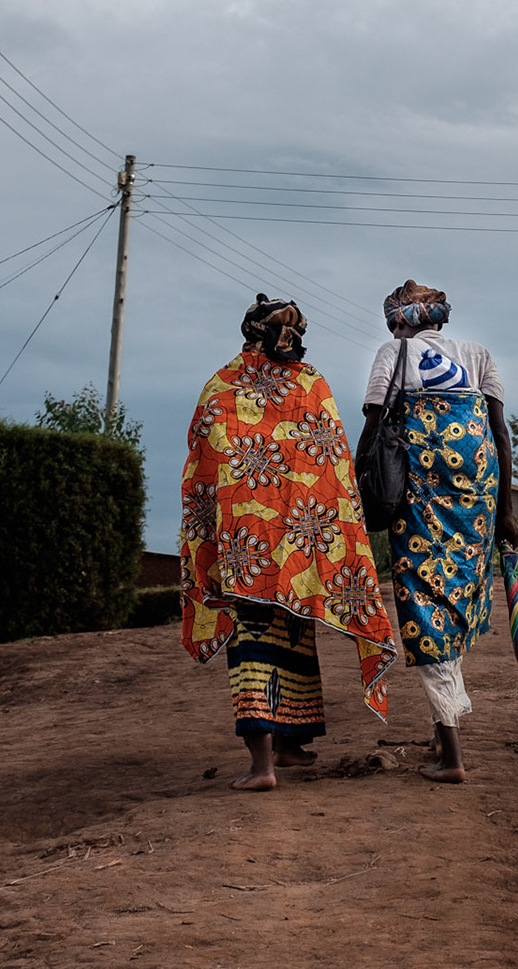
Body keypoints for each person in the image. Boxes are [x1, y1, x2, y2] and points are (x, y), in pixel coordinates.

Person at [179, 295, 398, 792]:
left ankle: (269, 764)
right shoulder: (311, 383)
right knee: (293, 637)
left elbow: (204, 466)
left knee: (255, 647)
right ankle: (284, 752)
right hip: (302, 541)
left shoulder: (223, 386)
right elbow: (331, 465)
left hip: (246, 547)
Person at [358, 280, 518, 784]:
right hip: (477, 500)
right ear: (440, 319)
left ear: (399, 320)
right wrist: (507, 510)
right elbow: (500, 435)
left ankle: (451, 756)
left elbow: (371, 433)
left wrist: (356, 496)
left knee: (424, 608)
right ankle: (441, 728)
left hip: (420, 501)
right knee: (457, 602)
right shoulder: (478, 354)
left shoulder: (393, 354)